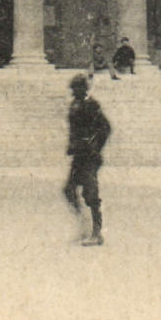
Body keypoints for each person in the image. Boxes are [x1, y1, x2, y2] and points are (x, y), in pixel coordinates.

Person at [62, 74, 112, 246]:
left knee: (91, 193)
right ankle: (84, 224)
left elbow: (105, 128)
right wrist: (72, 144)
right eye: (73, 88)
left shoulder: (92, 105)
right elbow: (74, 129)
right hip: (78, 155)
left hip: (90, 156)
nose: (74, 92)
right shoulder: (74, 106)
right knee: (68, 190)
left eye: (77, 88)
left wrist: (95, 146)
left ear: (84, 89)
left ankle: (97, 233)